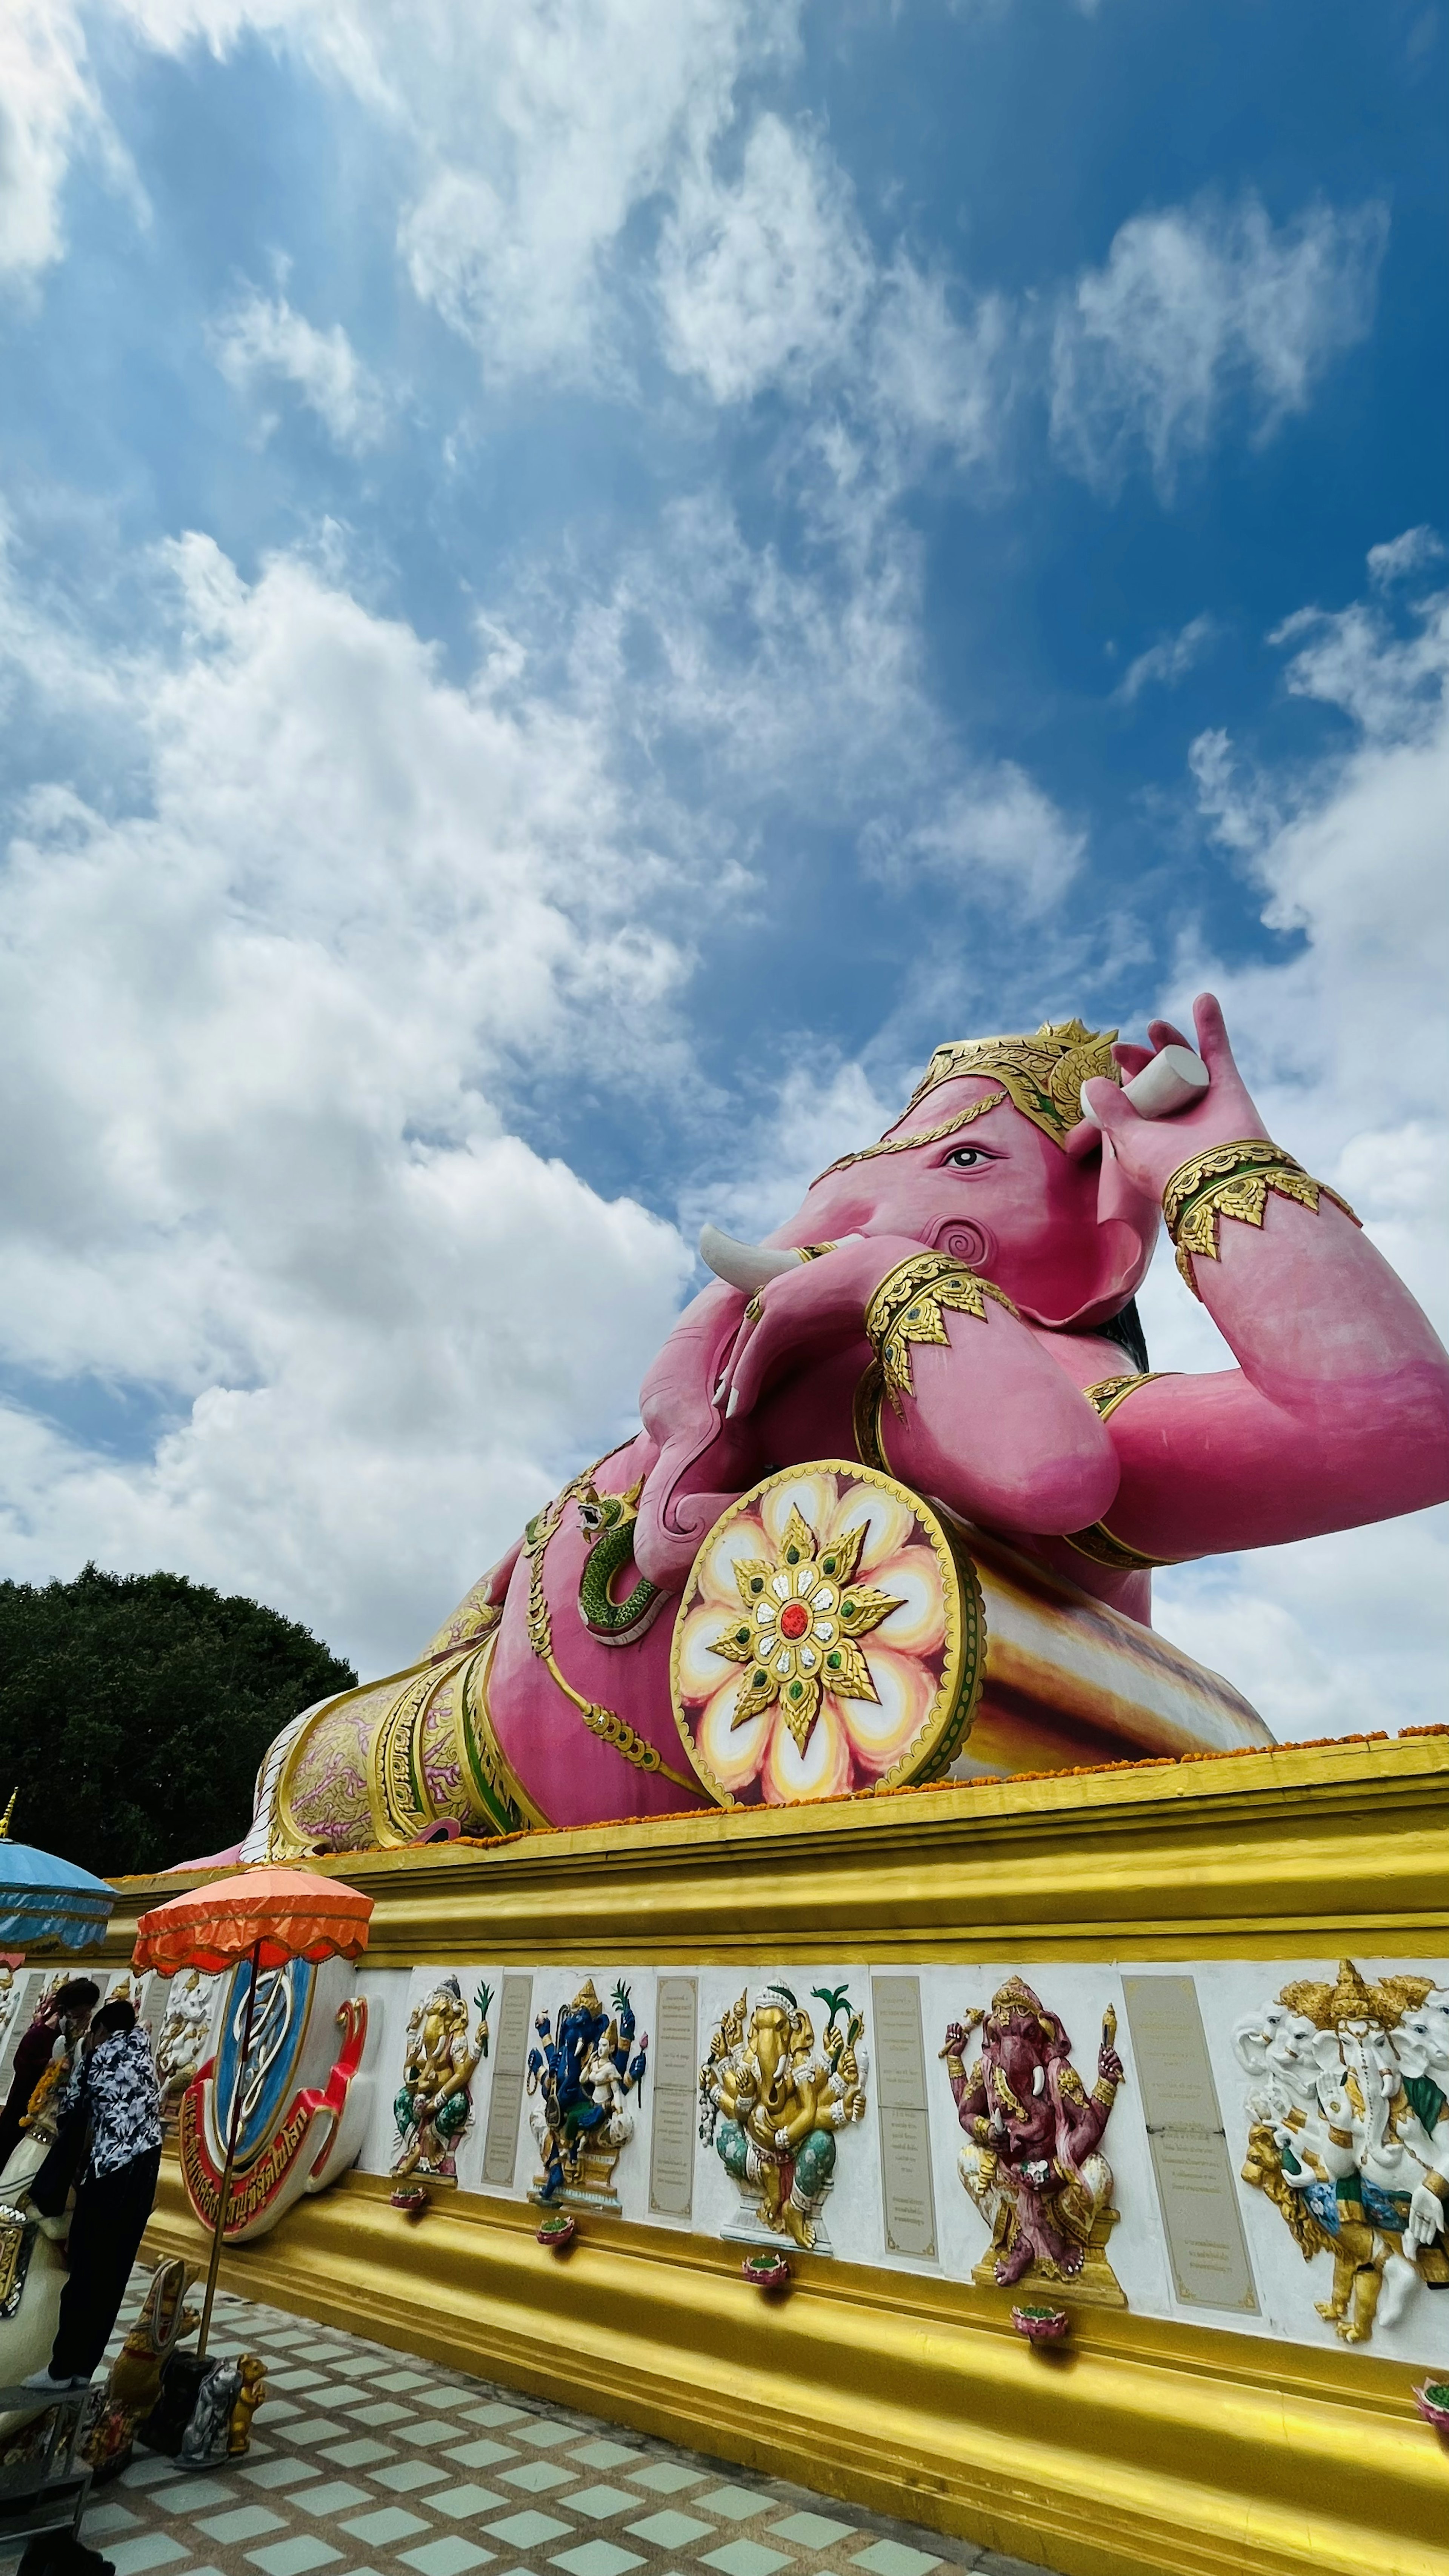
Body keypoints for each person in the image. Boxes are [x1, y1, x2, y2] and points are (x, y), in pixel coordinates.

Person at [24, 1997, 163, 2391]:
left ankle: (59, 2369)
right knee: (113, 2275)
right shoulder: (144, 2055)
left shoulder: (98, 2057)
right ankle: (84, 2367)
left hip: (110, 2176)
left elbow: (70, 2111)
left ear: (101, 2030)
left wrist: (83, 2055)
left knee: (84, 2270)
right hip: (145, 2178)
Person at [0, 1979, 100, 2180]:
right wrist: (51, 2065)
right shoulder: (38, 2035)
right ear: (66, 2010)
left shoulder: (81, 2040)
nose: (84, 2018)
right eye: (81, 2013)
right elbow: (22, 2067)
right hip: (24, 2110)